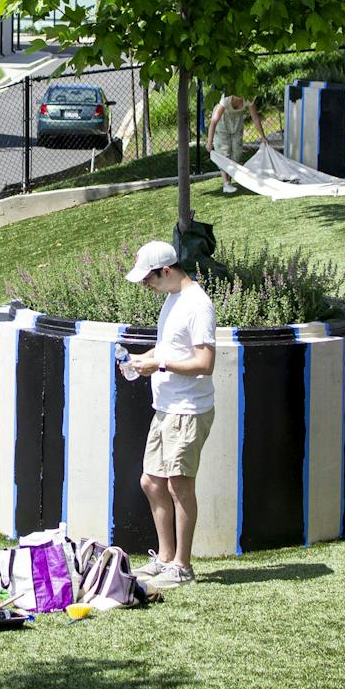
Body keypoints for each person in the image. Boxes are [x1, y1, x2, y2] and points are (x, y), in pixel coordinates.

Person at [123, 239, 216, 587]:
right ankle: (165, 558)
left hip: (188, 410)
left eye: (149, 279)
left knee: (179, 485)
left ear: (166, 270)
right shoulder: (173, 300)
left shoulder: (198, 304)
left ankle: (183, 566)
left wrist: (159, 364)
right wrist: (142, 359)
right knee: (152, 482)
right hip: (166, 408)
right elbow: (168, 348)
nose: (147, 286)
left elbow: (205, 363)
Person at [207, 93, 267, 194]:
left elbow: (255, 118)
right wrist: (209, 141)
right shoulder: (226, 99)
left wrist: (263, 137)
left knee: (237, 152)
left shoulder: (248, 97)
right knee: (224, 152)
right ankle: (226, 183)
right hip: (222, 122)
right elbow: (214, 121)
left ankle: (229, 180)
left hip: (236, 122)